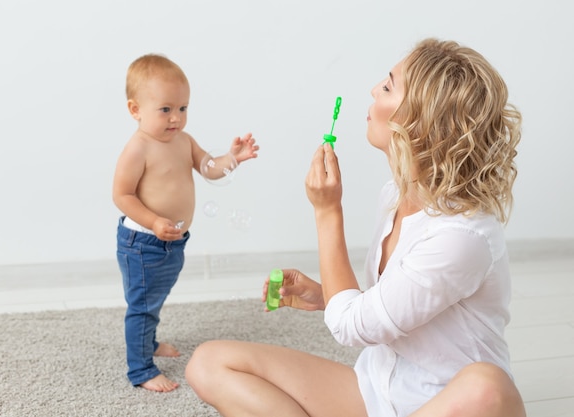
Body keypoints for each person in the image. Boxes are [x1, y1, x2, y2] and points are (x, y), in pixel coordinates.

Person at [185, 38, 526, 416]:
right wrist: (325, 296)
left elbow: (351, 328)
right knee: (208, 362)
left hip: (446, 405)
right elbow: (395, 304)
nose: (373, 89)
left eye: (388, 86)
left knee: (488, 386)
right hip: (378, 394)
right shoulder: (395, 195)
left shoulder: (463, 237)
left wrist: (327, 211)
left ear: (419, 122)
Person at [112, 53, 259, 393]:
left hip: (172, 241)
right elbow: (122, 195)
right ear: (136, 110)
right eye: (165, 109)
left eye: (183, 108)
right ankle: (141, 369)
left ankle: (147, 344)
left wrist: (232, 159)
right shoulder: (138, 148)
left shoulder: (184, 141)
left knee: (154, 299)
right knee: (142, 306)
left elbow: (208, 168)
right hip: (144, 243)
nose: (176, 118)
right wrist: (153, 220)